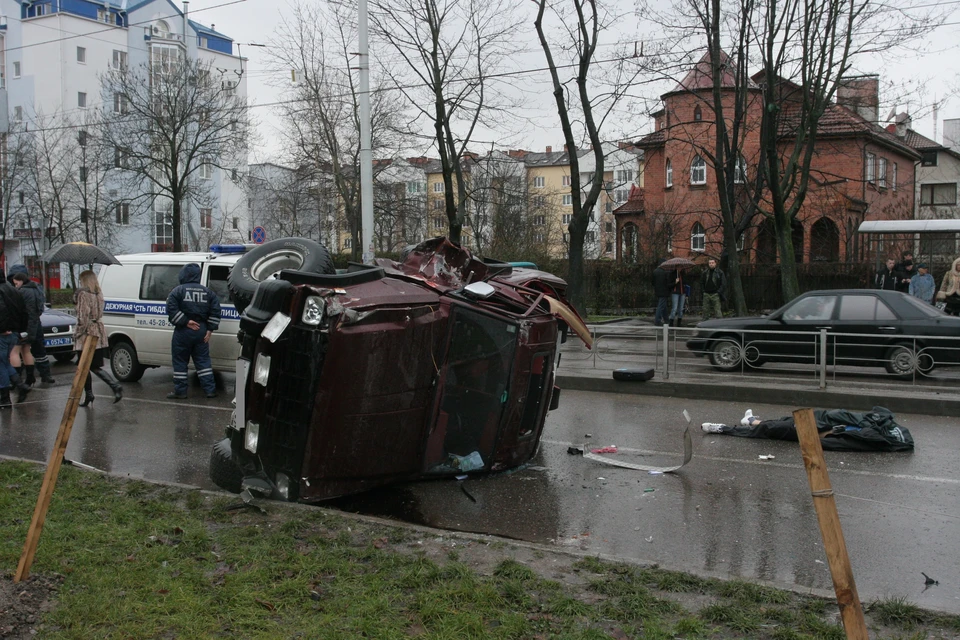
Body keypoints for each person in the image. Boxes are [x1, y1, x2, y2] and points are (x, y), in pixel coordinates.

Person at [700, 406, 914, 452]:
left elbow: (840, 440)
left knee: (771, 429)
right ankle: (752, 421)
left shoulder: (871, 433)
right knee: (780, 423)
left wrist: (817, 440)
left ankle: (725, 428)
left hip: (814, 430)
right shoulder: (874, 425)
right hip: (818, 423)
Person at [166, 263, 221, 399]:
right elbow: (215, 311)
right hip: (201, 330)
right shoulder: (208, 292)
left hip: (183, 331)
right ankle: (210, 390)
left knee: (180, 362)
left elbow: (171, 308)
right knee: (203, 362)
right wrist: (209, 330)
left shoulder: (177, 291)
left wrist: (186, 321)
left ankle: (181, 392)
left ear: (183, 275)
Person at [74, 270, 123, 406]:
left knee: (87, 366)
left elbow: (82, 317)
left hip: (87, 333)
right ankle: (90, 394)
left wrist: (76, 333)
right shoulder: (98, 294)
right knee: (88, 366)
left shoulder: (83, 294)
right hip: (98, 330)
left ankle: (112, 386)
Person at [10, 269, 55, 385]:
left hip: (25, 324)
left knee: (20, 350)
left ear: (21, 281)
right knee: (40, 350)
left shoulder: (21, 292)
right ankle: (45, 374)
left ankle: (20, 379)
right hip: (36, 323)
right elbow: (40, 308)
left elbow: (19, 310)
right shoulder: (37, 289)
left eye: (16, 283)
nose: (16, 286)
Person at [0, 270, 31, 406]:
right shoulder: (13, 290)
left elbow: (2, 311)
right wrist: (21, 330)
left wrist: (2, 329)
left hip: (3, 332)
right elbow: (24, 312)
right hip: (14, 332)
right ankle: (21, 386)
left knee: (1, 365)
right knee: (5, 363)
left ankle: (5, 398)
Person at [651, 262, 671, 327]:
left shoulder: (655, 271)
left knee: (663, 305)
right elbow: (667, 282)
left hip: (658, 291)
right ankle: (657, 320)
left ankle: (666, 319)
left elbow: (652, 282)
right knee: (661, 306)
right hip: (664, 291)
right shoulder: (665, 272)